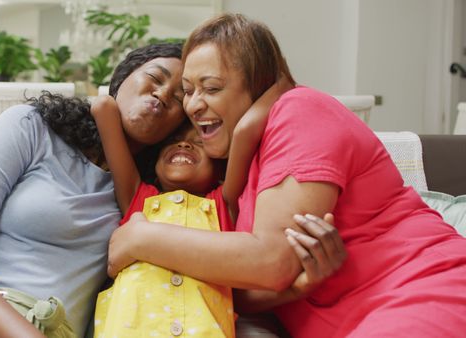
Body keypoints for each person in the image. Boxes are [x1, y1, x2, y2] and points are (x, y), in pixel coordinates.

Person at [0, 42, 342, 338]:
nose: (164, 95)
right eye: (155, 77)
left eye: (180, 96)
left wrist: (301, 283)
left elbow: (217, 288)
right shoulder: (32, 129)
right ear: (121, 79)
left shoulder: (149, 198)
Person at [106, 13, 466, 338]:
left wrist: (139, 237)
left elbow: (271, 262)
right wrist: (299, 286)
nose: (194, 104)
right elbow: (243, 288)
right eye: (189, 91)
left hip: (423, 290)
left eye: (212, 88)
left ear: (258, 82)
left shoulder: (300, 111)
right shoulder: (235, 180)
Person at [89, 74, 278, 336]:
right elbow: (103, 109)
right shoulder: (139, 199)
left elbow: (246, 130)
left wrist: (278, 82)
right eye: (172, 142)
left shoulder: (223, 203)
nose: (184, 143)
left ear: (220, 172)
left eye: (199, 142)